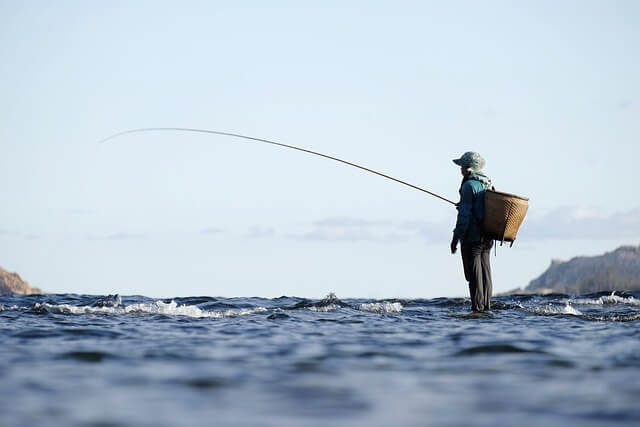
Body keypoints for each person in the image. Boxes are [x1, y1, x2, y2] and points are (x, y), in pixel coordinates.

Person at [450, 152, 494, 312]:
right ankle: (487, 308)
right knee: (485, 273)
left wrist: (455, 238)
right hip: (488, 237)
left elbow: (464, 216)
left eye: (462, 166)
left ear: (468, 168)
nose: (460, 169)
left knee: (474, 276)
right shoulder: (487, 183)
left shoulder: (468, 186)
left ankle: (477, 309)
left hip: (473, 238)